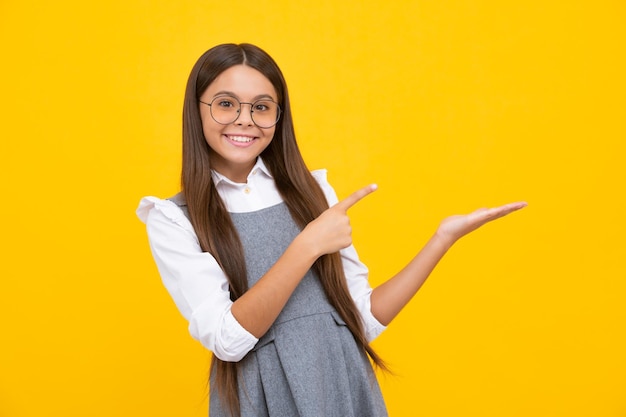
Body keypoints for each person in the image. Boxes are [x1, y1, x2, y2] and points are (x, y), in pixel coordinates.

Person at [136, 43, 526, 417]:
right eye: (225, 104)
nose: (245, 119)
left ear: (279, 115)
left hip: (341, 381)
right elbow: (227, 340)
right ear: (197, 109)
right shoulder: (172, 218)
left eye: (261, 107)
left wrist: (442, 239)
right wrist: (305, 246)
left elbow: (361, 319)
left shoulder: (312, 191)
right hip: (261, 396)